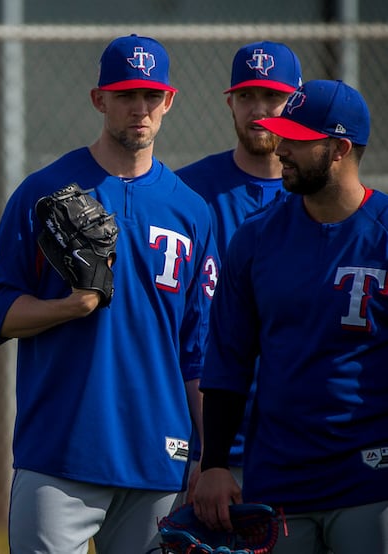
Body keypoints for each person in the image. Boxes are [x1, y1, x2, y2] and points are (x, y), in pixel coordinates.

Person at [0, 34, 219, 553]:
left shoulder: (191, 211)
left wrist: (209, 453)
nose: (140, 108)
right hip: (61, 449)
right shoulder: (45, 192)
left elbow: (199, 350)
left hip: (158, 455)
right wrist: (69, 307)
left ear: (169, 101)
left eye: (152, 95)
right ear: (99, 99)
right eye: (126, 94)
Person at [193, 79, 388, 553]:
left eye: (296, 139)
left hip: (370, 479)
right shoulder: (257, 238)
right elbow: (228, 358)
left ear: (339, 148)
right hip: (279, 480)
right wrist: (214, 462)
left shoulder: (383, 232)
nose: (280, 147)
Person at [175, 40, 302, 490]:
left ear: (296, 101)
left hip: (296, 436)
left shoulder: (319, 197)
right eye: (247, 96)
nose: (259, 109)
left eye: (273, 96)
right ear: (230, 101)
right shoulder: (187, 192)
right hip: (200, 436)